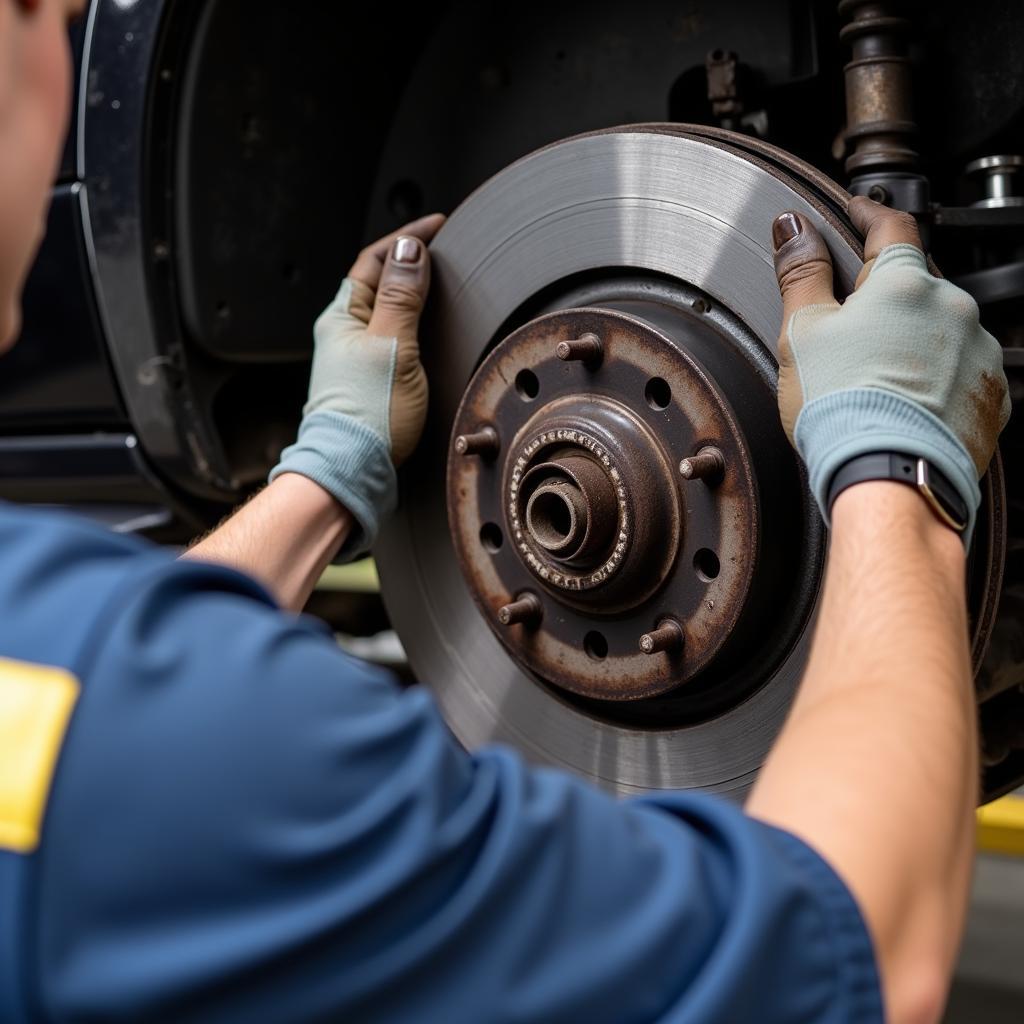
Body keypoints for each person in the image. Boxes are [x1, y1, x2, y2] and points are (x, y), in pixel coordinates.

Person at [0, 1, 1010, 1021]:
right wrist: (894, 457)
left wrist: (325, 472)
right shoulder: (251, 752)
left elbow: (122, 680)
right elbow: (855, 948)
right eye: (46, 13)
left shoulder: (71, 681)